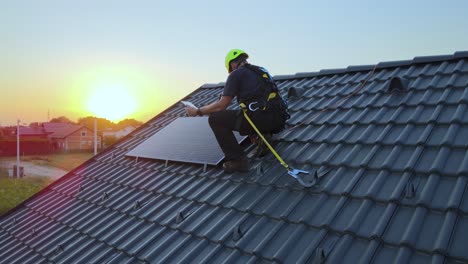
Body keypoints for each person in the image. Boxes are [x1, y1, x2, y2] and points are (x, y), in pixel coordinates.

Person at [186, 49, 289, 172]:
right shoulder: (261, 70)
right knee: (246, 112)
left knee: (216, 119)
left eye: (230, 69)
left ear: (232, 64)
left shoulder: (236, 74)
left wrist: (198, 111)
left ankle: (237, 160)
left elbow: (221, 106)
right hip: (279, 119)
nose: (231, 72)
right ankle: (263, 136)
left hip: (262, 119)